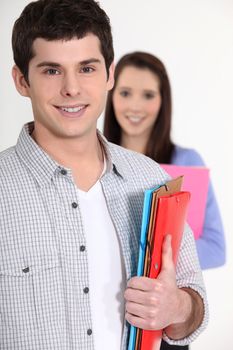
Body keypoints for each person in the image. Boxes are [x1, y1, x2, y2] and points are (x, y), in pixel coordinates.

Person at [0, 1, 207, 349]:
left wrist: (178, 306)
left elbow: (194, 302)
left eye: (87, 68)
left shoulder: (150, 178)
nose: (72, 88)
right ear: (22, 80)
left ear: (109, 74)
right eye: (52, 70)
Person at [104, 51, 225, 349]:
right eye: (125, 93)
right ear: (110, 95)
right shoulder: (95, 162)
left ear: (163, 101)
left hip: (164, 316)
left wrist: (156, 254)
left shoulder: (185, 162)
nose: (135, 106)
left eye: (148, 95)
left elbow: (217, 247)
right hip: (107, 308)